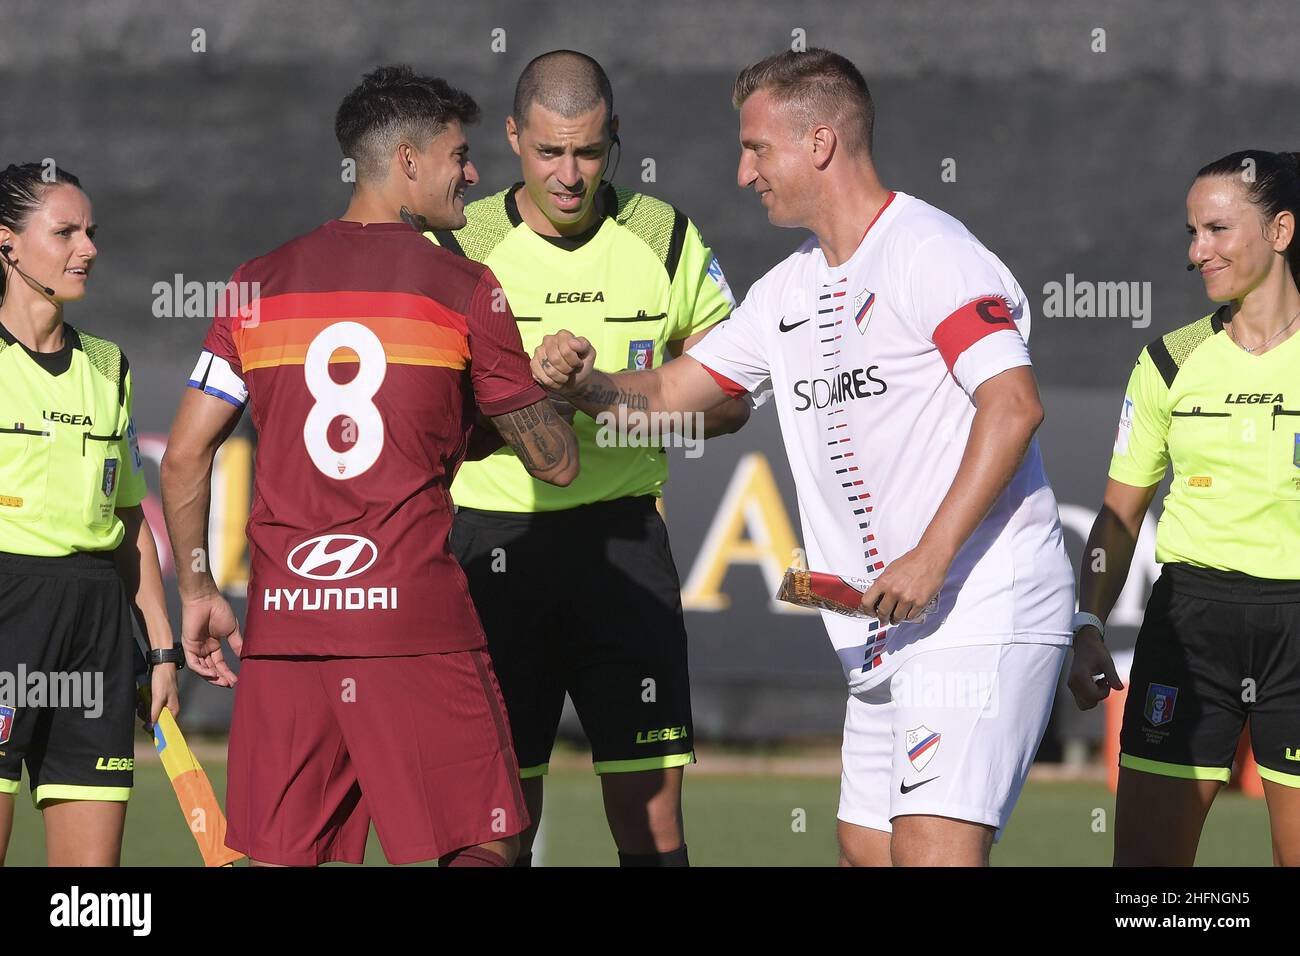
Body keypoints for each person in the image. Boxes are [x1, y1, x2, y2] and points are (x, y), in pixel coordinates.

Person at [531, 48, 1076, 867]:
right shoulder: (786, 289)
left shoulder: (929, 249)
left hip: (977, 607)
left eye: (757, 148)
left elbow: (1015, 406)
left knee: (931, 854)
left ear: (819, 143)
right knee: (864, 849)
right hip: (881, 626)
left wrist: (930, 557)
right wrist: (588, 384)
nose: (744, 171)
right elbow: (675, 393)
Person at [160, 66, 578, 867]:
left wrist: (199, 588)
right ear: (409, 161)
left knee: (286, 858)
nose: (474, 175)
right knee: (487, 841)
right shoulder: (464, 287)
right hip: (409, 623)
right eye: (460, 155)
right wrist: (557, 392)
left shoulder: (256, 284)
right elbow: (552, 464)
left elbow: (184, 455)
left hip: (286, 628)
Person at [431, 50, 749, 867]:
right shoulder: (461, 241)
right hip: (492, 546)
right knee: (492, 829)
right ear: (511, 139)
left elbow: (733, 403)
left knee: (653, 834)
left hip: (624, 548)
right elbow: (423, 416)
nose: (568, 175)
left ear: (616, 140)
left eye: (588, 151)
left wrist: (600, 394)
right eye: (547, 152)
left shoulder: (665, 235)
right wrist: (522, 400)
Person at [1069, 149, 1300, 867]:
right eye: (1191, 232)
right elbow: (1117, 516)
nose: (1198, 251)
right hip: (1189, 626)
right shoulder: (1169, 361)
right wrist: (1086, 623)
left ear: (1281, 231)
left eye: (1218, 230)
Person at [0, 162, 179, 866]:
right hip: (7, 614)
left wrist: (159, 647)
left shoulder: (108, 365)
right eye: (66, 232)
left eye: (92, 233)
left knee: (87, 892)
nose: (89, 249)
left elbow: (129, 521)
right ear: (7, 243)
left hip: (97, 630)